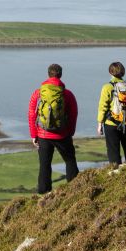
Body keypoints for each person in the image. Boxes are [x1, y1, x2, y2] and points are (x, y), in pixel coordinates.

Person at [28, 63, 79, 194]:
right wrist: (70, 132)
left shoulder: (38, 93)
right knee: (70, 160)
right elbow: (73, 114)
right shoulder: (67, 94)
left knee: (45, 165)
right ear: (60, 75)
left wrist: (34, 135)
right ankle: (75, 190)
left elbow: (32, 114)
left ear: (48, 74)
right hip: (63, 135)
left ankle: (44, 194)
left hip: (43, 135)